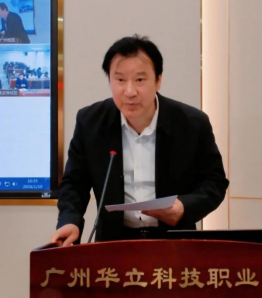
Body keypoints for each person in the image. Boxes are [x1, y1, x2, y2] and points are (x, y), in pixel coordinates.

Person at [51, 35, 229, 246]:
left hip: (175, 242)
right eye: (120, 80)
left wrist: (184, 207)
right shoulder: (90, 122)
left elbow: (215, 182)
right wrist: (69, 221)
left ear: (158, 80)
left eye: (140, 80)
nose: (130, 91)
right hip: (113, 245)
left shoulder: (191, 123)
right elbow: (74, 184)